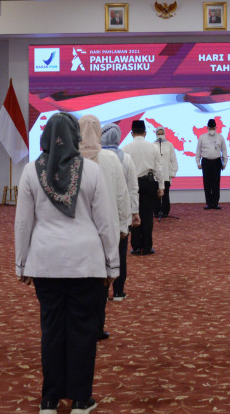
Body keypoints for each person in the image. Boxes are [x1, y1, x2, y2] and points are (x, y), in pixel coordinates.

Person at [15, 112, 119, 414]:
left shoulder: (31, 171)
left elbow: (23, 223)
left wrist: (21, 264)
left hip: (45, 261)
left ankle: (49, 398)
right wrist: (112, 265)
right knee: (83, 331)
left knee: (51, 330)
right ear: (76, 137)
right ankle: (80, 399)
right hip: (86, 262)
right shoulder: (92, 170)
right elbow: (106, 222)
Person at [79, 115, 133, 335]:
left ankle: (80, 325)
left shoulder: (70, 159)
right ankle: (98, 326)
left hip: (79, 231)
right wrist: (124, 226)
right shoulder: (111, 158)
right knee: (101, 279)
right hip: (106, 229)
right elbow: (122, 196)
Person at [101, 122, 139, 295]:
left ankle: (102, 291)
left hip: (99, 214)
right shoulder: (126, 158)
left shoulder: (95, 158)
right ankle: (118, 291)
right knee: (121, 254)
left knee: (101, 254)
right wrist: (134, 212)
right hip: (120, 213)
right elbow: (132, 189)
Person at [123, 120, 165, 255]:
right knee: (147, 216)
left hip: (132, 183)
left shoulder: (125, 148)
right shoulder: (153, 147)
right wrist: (161, 186)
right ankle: (147, 247)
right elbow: (159, 168)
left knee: (134, 213)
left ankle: (135, 247)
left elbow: (123, 170)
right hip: (149, 183)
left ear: (132, 133)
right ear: (145, 133)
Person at [196, 118, 228, 209]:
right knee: (207, 183)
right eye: (210, 128)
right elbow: (198, 151)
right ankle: (208, 203)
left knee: (216, 183)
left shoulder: (220, 137)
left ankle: (215, 203)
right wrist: (198, 162)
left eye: (213, 128)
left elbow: (224, 150)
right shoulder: (202, 137)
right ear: (207, 128)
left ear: (216, 128)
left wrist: (225, 162)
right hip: (206, 161)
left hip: (217, 161)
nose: (212, 130)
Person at [153, 126, 179, 219]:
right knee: (156, 194)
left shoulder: (169, 145)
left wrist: (173, 172)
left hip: (166, 174)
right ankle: (156, 211)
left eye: (162, 133)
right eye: (158, 133)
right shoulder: (152, 145)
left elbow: (173, 160)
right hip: (156, 175)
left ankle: (165, 211)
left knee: (165, 194)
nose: (160, 135)